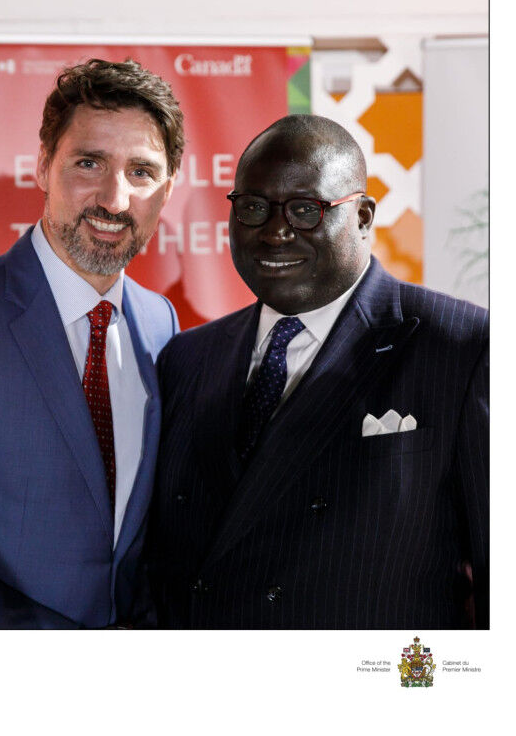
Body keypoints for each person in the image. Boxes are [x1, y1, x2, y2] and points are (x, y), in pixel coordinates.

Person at [146, 114, 489, 630]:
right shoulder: (186, 359)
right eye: (253, 207)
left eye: (306, 210)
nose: (275, 232)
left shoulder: (461, 347)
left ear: (364, 217)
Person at [0, 58, 184, 628]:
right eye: (90, 162)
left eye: (141, 172)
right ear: (43, 166)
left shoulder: (161, 324)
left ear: (166, 192)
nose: (115, 199)